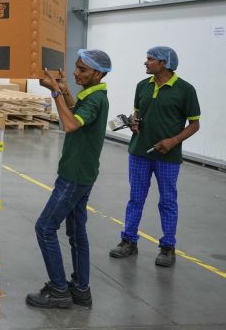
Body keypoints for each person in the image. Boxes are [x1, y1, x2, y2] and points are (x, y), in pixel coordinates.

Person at [26, 49, 112, 310]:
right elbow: (78, 112)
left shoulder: (95, 99)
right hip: (83, 173)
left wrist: (55, 93)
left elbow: (71, 124)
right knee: (76, 232)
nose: (75, 73)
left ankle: (59, 291)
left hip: (74, 176)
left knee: (45, 228)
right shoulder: (94, 95)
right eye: (76, 67)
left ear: (98, 74)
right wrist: (64, 91)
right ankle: (81, 289)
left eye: (82, 70)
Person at [109, 47, 200, 267]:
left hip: (168, 156)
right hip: (139, 152)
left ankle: (168, 247)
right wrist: (134, 122)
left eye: (150, 59)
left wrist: (173, 141)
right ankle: (128, 240)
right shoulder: (142, 86)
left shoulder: (185, 90)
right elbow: (137, 112)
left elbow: (194, 124)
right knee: (135, 198)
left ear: (164, 63)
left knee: (167, 201)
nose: (145, 62)